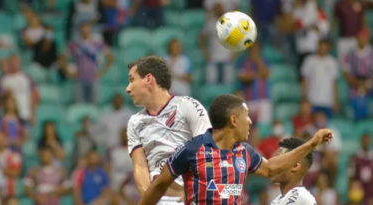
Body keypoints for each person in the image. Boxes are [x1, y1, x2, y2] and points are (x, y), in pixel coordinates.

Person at [139, 94, 332, 204]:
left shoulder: (245, 152)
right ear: (233, 120)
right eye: (246, 116)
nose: (250, 121)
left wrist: (312, 144)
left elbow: (271, 169)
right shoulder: (192, 150)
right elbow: (158, 185)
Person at [126, 56, 212, 203]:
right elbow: (140, 167)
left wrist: (196, 194)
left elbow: (210, 153)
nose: (127, 89)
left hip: (191, 198)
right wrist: (150, 200)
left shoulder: (187, 106)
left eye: (132, 80)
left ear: (148, 79)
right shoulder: (135, 122)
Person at [270, 137, 317, 204]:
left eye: (278, 160)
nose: (271, 165)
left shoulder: (300, 198)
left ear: (295, 166)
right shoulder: (277, 200)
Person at [301, 38, 339, 118]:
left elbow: (334, 83)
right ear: (317, 46)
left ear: (328, 48)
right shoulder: (309, 60)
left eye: (325, 46)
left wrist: (335, 100)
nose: (323, 48)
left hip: (327, 101)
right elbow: (304, 80)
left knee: (326, 128)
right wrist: (304, 97)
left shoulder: (332, 62)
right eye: (321, 46)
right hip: (312, 100)